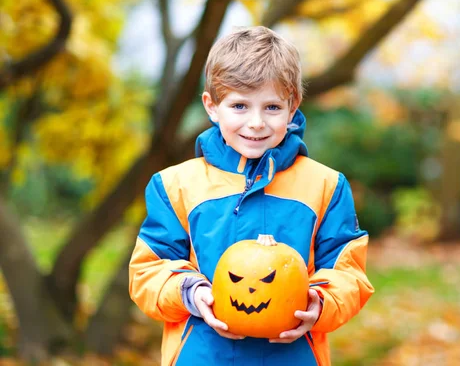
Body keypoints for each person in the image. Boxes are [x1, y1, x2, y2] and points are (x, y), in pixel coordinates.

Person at [129, 26, 374, 366]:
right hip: (202, 355)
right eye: (240, 106)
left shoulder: (326, 186)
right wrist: (191, 293)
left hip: (294, 357)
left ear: (293, 108)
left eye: (272, 107)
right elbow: (148, 271)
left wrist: (320, 302)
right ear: (212, 106)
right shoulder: (174, 186)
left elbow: (349, 274)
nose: (256, 122)